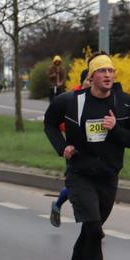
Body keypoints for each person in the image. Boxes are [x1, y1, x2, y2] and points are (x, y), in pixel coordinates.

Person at [44, 52, 130, 260]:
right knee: (94, 230)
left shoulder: (123, 103)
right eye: (102, 71)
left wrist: (115, 129)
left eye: (112, 71)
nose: (108, 76)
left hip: (108, 178)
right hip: (80, 175)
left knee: (89, 232)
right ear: (92, 76)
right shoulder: (71, 101)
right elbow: (50, 123)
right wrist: (62, 147)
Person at [50, 69, 92, 227]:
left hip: (95, 151)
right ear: (82, 82)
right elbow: (57, 122)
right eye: (89, 80)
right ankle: (58, 204)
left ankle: (94, 224)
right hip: (74, 149)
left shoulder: (102, 98)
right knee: (75, 184)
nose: (92, 83)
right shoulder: (71, 99)